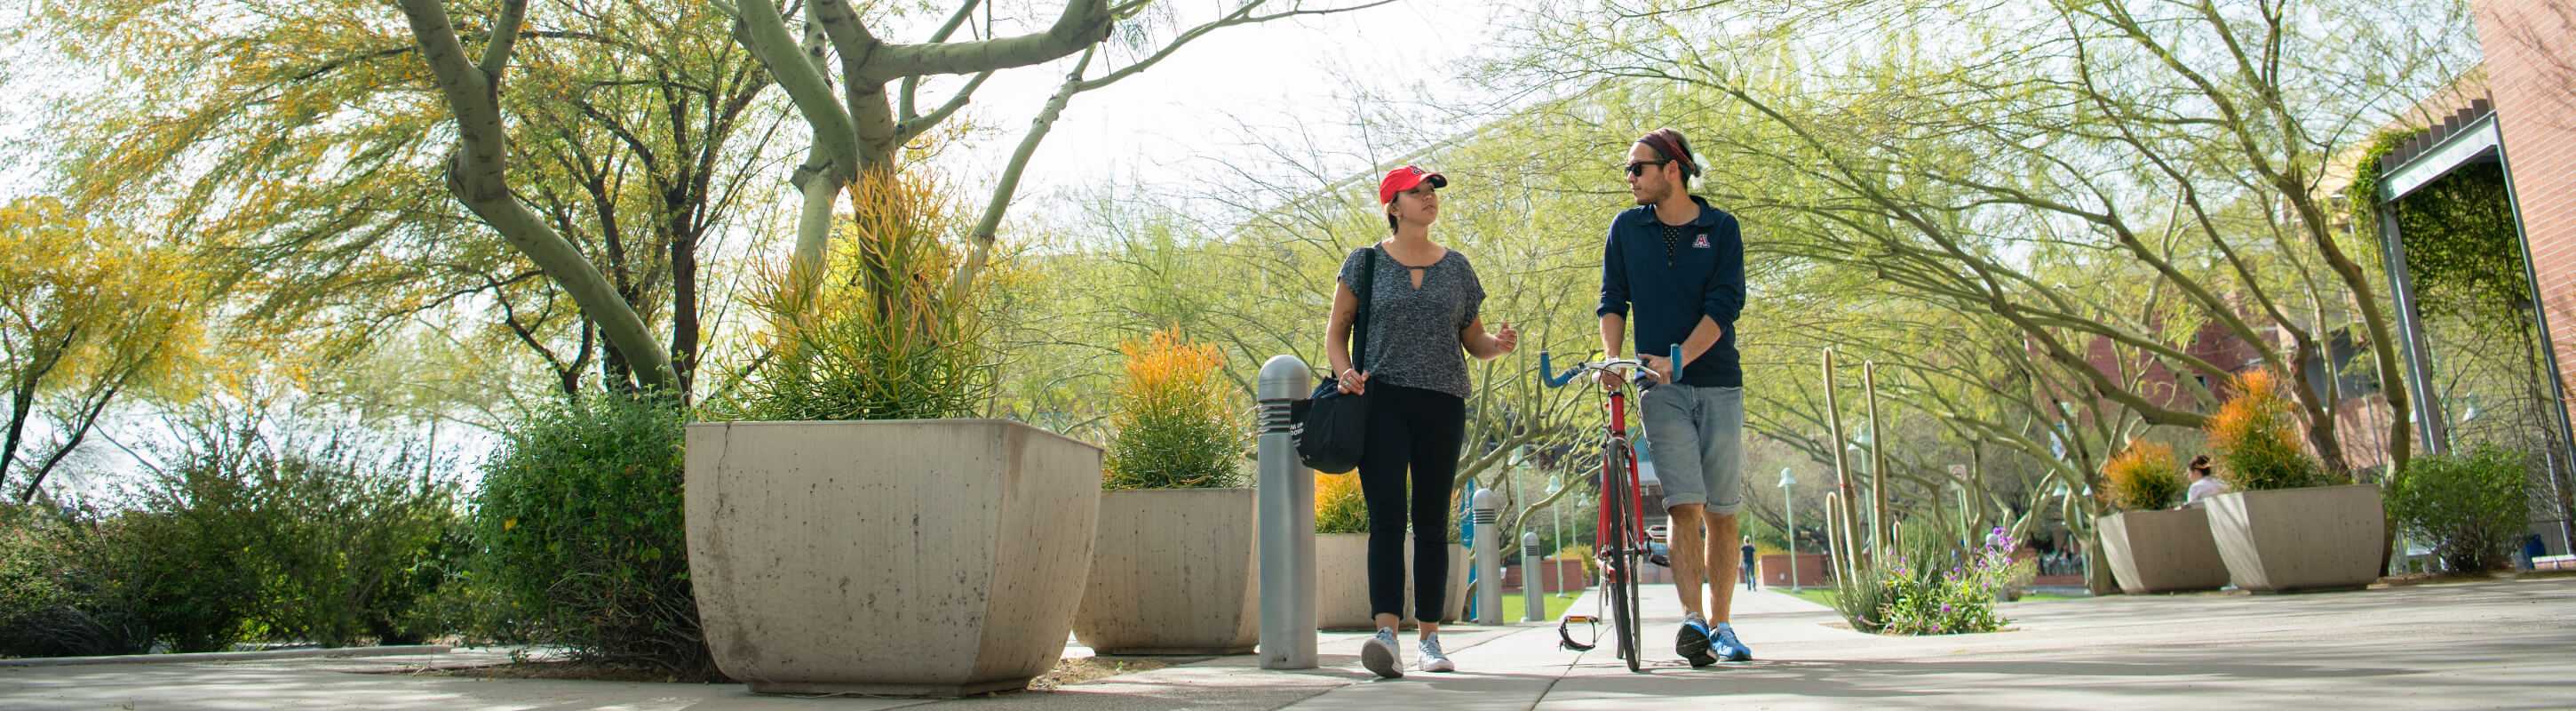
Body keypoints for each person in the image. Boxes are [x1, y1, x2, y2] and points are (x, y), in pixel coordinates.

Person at [1327, 164, 1518, 678]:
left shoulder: (1457, 268)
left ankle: (1431, 640)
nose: (1429, 197)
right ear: (1393, 207)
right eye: (1417, 191)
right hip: (1382, 402)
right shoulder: (1364, 263)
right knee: (1387, 519)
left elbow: (1472, 340)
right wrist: (1345, 373)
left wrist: (1494, 347)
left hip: (1442, 403)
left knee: (1433, 521)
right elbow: (1336, 333)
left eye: (1432, 190)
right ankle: (1386, 634)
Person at [1595, 127, 1753, 667]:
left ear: (1672, 170)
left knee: (1723, 512)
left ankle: (1723, 625)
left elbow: (1725, 303)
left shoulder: (1721, 228)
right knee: (1685, 505)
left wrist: (1679, 359)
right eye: (1628, 170)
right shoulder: (1626, 229)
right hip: (1657, 391)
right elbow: (1612, 299)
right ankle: (1693, 622)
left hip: (1718, 384)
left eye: (1638, 168)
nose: (1630, 178)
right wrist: (1615, 360)